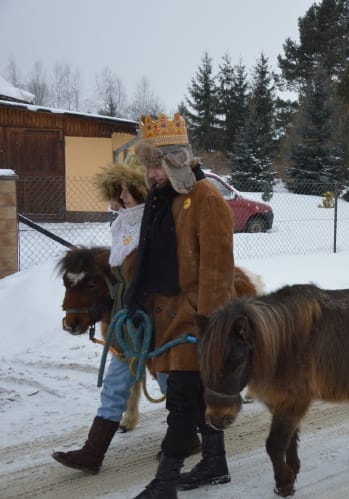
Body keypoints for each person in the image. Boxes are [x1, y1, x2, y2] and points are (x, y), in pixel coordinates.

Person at [126, 113, 237, 498]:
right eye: (148, 166)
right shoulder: (164, 201)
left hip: (197, 320)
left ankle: (165, 482)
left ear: (175, 161)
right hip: (166, 317)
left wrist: (211, 326)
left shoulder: (206, 199)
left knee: (182, 403)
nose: (151, 175)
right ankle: (215, 462)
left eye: (155, 165)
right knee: (195, 396)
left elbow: (218, 271)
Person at [52, 154, 153, 474]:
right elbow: (115, 277)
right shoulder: (122, 227)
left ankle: (196, 438)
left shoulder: (153, 224)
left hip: (154, 321)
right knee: (114, 385)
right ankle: (92, 454)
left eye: (124, 191)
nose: (118, 198)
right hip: (126, 322)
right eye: (117, 192)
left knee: (171, 384)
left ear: (138, 192)